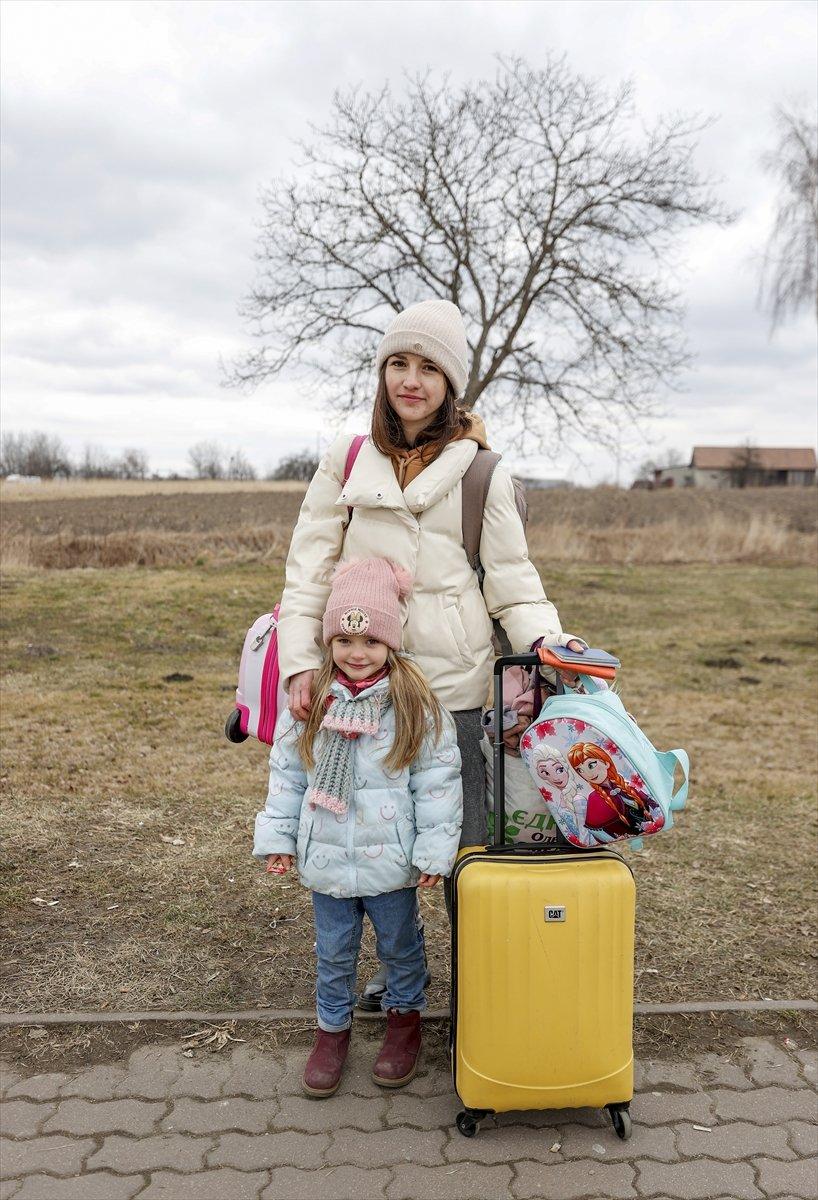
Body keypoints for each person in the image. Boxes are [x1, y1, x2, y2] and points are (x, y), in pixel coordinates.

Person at [277, 297, 585, 1007]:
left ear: (450, 382)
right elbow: (309, 570)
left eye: (428, 368)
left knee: (458, 846)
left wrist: (548, 639)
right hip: (363, 689)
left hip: (455, 697)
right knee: (373, 841)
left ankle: (482, 991)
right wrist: (300, 662)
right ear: (382, 372)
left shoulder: (484, 473)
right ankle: (401, 977)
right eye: (397, 364)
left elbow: (513, 582)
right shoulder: (346, 461)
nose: (410, 380)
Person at [253, 557, 463, 1098]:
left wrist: (433, 852)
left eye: (370, 640)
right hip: (325, 858)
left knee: (399, 946)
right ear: (329, 642)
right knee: (334, 951)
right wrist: (278, 840)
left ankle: (404, 1024)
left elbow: (436, 782)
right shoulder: (308, 703)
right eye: (344, 641)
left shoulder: (413, 703)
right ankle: (332, 1031)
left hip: (391, 863)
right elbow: (287, 775)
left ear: (391, 642)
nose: (357, 653)